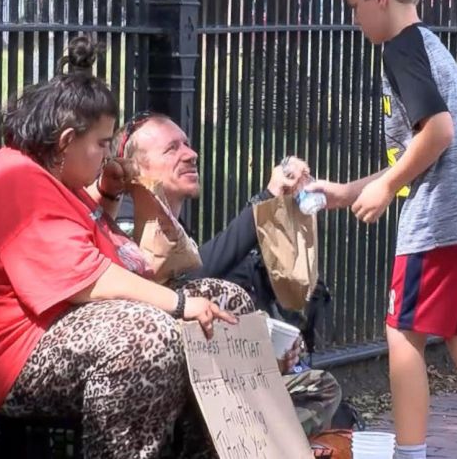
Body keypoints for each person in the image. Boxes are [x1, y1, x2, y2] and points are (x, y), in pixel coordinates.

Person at [0, 36, 250, 459]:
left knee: (227, 301)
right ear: (67, 140)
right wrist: (178, 304)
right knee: (146, 336)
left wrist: (106, 197)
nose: (108, 156)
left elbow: (96, 248)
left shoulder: (57, 179)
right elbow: (88, 278)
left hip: (62, 330)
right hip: (8, 354)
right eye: (103, 144)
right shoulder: (16, 180)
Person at [307, 0, 457, 459]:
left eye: (354, 7)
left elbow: (437, 133)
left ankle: (410, 453)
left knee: (403, 335)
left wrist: (385, 185)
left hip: (443, 220)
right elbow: (419, 151)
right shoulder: (428, 46)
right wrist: (346, 193)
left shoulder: (400, 50)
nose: (354, 20)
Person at [114, 112, 344, 437]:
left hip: (210, 374)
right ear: (133, 168)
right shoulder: (126, 222)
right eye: (172, 149)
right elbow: (195, 279)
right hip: (157, 379)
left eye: (188, 145)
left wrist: (268, 350)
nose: (190, 154)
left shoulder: (176, 230)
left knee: (319, 387)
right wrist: (266, 199)